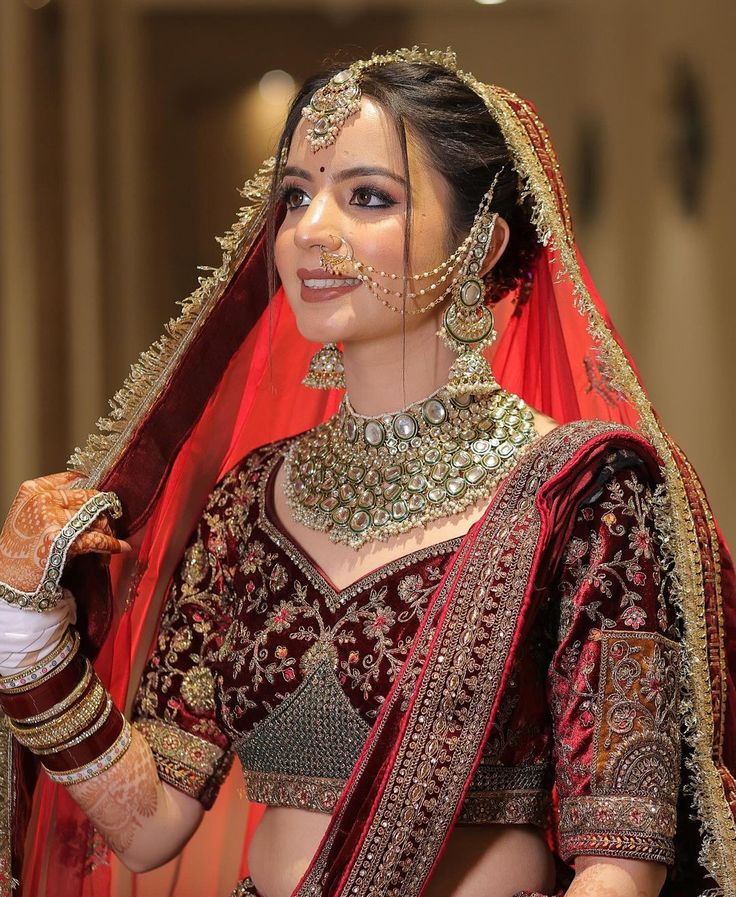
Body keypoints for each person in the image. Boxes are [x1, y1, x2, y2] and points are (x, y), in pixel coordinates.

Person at [0, 47, 735, 897]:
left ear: (478, 244)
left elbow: (623, 855)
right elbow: (151, 821)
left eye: (368, 197)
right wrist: (26, 636)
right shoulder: (250, 501)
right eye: (296, 197)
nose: (311, 230)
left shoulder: (583, 493)